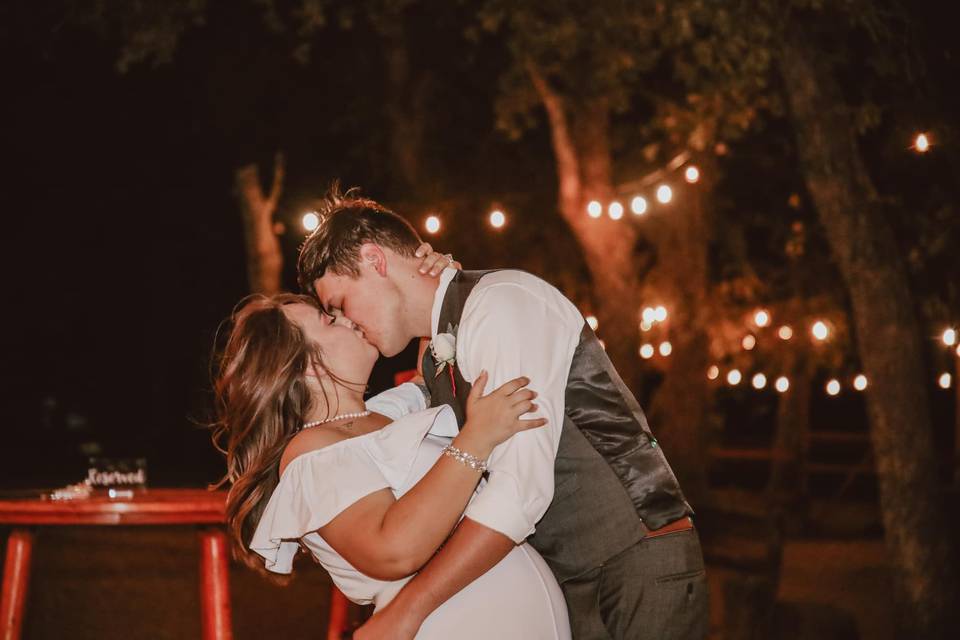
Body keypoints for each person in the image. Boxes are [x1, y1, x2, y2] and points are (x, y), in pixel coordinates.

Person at [298, 187, 709, 640]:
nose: (349, 323)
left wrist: (406, 613)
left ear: (375, 261)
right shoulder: (437, 352)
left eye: (341, 304)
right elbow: (378, 426)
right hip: (575, 577)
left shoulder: (500, 304)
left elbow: (519, 491)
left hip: (636, 559)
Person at [209, 276, 572, 638]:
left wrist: (432, 278)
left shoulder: (383, 415)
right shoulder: (310, 453)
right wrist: (476, 439)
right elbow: (393, 549)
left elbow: (425, 369)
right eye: (329, 321)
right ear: (306, 366)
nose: (348, 319)